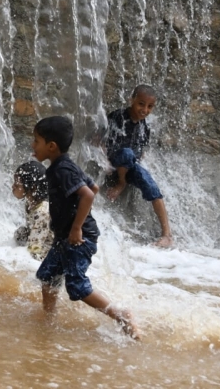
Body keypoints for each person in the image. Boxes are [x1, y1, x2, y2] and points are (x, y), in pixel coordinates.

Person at [32, 116, 139, 339]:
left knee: (77, 287)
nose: (33, 146)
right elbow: (95, 186)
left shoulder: (62, 170)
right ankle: (49, 319)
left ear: (51, 146)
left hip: (77, 239)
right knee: (48, 275)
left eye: (36, 141)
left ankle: (121, 315)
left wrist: (76, 227)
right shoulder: (65, 165)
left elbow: (88, 194)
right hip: (66, 237)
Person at [102, 84, 173, 247]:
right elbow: (101, 140)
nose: (145, 110)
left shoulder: (144, 127)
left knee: (150, 184)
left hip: (128, 166)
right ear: (131, 100)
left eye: (150, 106)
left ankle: (167, 235)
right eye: (141, 104)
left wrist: (135, 168)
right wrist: (103, 162)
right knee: (127, 153)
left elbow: (141, 152)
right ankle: (121, 183)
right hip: (113, 162)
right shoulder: (117, 116)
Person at [12, 160, 52, 260]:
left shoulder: (42, 212)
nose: (13, 187)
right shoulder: (31, 203)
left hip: (49, 251)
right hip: (40, 237)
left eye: (17, 185)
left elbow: (35, 249)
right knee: (20, 234)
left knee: (32, 255)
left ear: (32, 188)